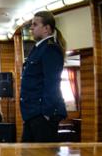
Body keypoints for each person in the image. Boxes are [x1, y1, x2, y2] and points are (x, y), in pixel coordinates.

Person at [20, 10, 67, 142]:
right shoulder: (39, 48)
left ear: (46, 28)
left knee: (43, 155)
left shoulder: (50, 49)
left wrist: (46, 114)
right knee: (27, 153)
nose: (31, 28)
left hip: (42, 114)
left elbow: (52, 83)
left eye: (35, 24)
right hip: (32, 113)